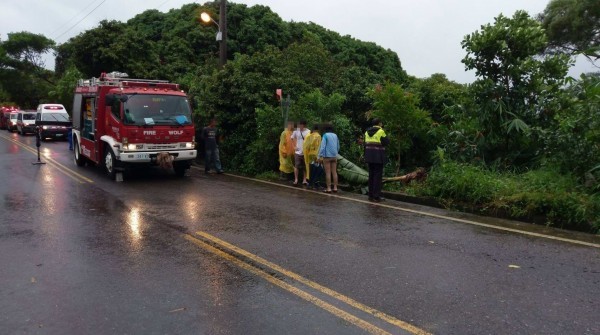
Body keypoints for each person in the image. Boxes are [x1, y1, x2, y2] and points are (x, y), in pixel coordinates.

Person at [364, 118, 389, 202]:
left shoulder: (366, 132)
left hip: (369, 156)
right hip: (378, 156)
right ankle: (376, 196)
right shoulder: (381, 131)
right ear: (379, 123)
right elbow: (386, 142)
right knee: (377, 177)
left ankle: (370, 195)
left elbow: (365, 144)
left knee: (371, 175)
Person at [318, 123, 340, 193]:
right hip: (334, 156)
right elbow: (338, 146)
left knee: (328, 173)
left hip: (327, 156)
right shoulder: (335, 135)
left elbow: (322, 147)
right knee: (334, 172)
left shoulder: (325, 135)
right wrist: (336, 153)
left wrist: (319, 156)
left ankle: (329, 188)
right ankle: (335, 188)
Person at [291, 120, 310, 186]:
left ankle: (304, 180)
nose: (300, 127)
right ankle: (296, 179)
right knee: (296, 166)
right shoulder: (296, 131)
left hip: (306, 152)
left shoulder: (308, 132)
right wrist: (294, 146)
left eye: (301, 125)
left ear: (304, 125)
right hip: (298, 152)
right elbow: (292, 138)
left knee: (305, 166)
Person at [303, 123, 322, 190]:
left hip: (309, 154)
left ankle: (310, 184)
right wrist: (318, 157)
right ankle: (315, 184)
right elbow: (318, 147)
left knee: (310, 168)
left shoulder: (309, 135)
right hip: (315, 155)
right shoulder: (318, 136)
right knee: (317, 169)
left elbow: (306, 146)